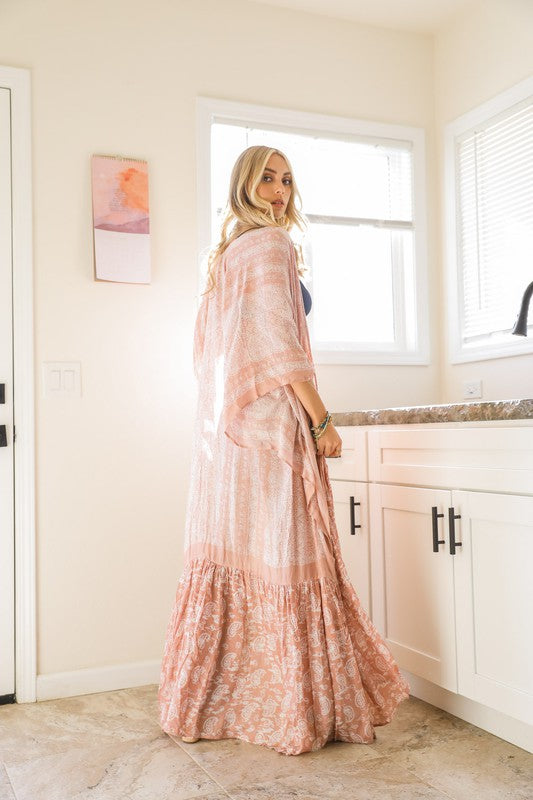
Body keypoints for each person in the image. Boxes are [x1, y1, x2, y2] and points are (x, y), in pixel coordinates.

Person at [157, 145, 410, 756]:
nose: (279, 188)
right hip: (273, 429)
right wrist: (322, 420)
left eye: (288, 178)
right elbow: (279, 346)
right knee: (290, 559)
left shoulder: (225, 256)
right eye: (267, 177)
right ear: (244, 183)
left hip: (234, 438)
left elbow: (210, 356)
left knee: (254, 559)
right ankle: (294, 709)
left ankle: (227, 700)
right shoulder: (270, 245)